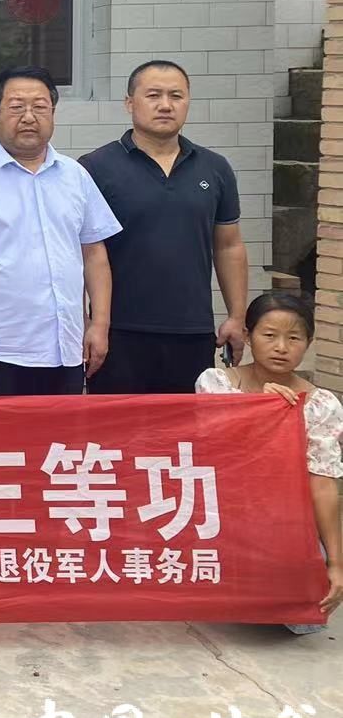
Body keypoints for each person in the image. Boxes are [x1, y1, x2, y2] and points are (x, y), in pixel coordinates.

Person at [0, 65, 121, 397]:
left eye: (40, 107)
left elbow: (95, 255)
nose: (29, 117)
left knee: (61, 432)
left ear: (53, 114)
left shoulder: (75, 176)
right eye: (17, 106)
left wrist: (100, 324)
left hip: (66, 346)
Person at [82, 60, 250, 394]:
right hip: (119, 333)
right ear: (129, 103)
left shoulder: (215, 168)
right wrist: (87, 322)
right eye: (153, 95)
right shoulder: (94, 168)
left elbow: (229, 246)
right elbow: (80, 254)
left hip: (193, 332)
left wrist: (236, 316)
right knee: (118, 425)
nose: (165, 105)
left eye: (176, 96)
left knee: (187, 425)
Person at [194, 292, 343, 630]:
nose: (281, 347)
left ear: (308, 343)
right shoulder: (217, 384)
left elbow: (323, 484)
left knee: (304, 616)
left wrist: (336, 563)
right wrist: (259, 411)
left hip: (283, 519)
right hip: (224, 513)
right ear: (248, 336)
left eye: (294, 338)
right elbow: (215, 450)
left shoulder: (321, 405)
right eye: (270, 335)